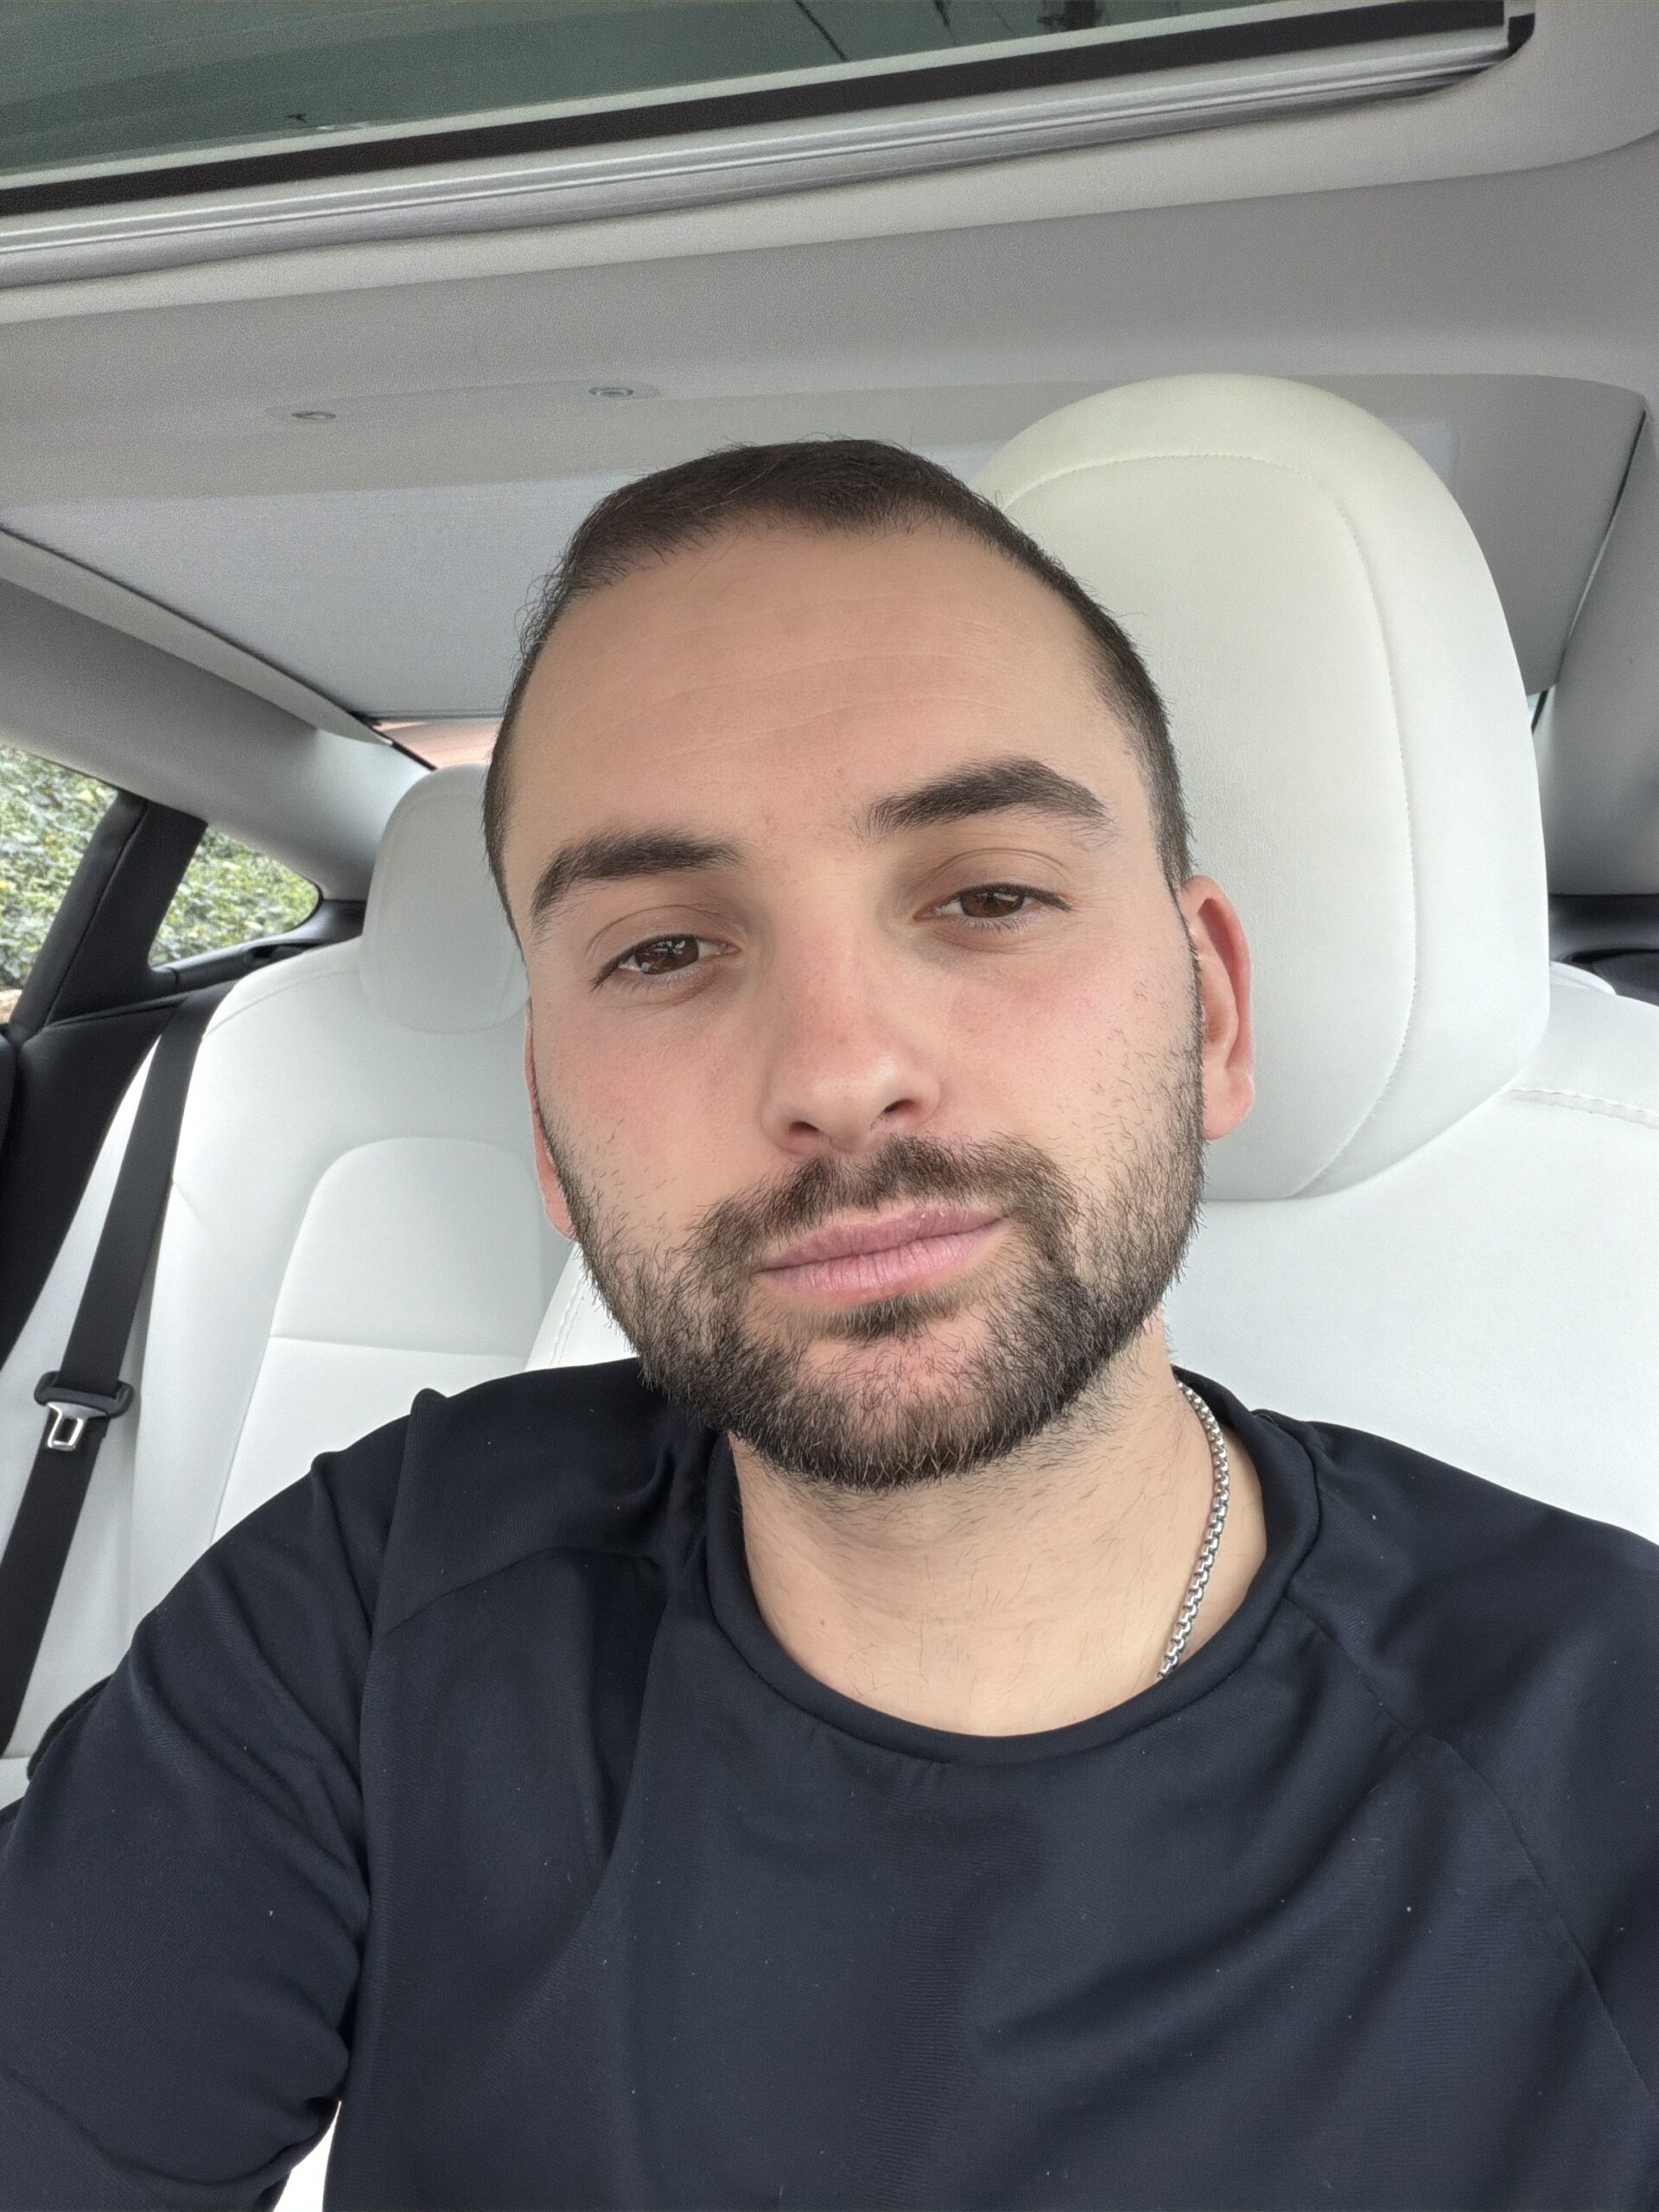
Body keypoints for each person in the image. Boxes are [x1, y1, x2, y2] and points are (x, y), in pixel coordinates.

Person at [2, 441, 1655, 2210]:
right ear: (549, 1128)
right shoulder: (380, 1596)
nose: (841, 1071)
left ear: (1213, 1014)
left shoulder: (1614, 1749)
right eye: (662, 949)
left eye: (989, 895)